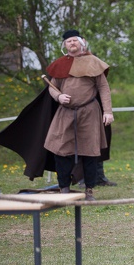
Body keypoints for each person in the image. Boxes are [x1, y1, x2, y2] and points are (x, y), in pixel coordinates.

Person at [44, 29, 114, 200]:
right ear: (64, 45)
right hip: (65, 113)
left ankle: (89, 190)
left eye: (74, 40)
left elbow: (103, 88)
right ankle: (64, 189)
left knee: (90, 152)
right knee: (61, 151)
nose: (72, 43)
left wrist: (108, 111)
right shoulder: (60, 64)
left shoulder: (93, 62)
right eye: (68, 41)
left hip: (89, 113)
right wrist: (59, 96)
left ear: (82, 42)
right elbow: (52, 88)